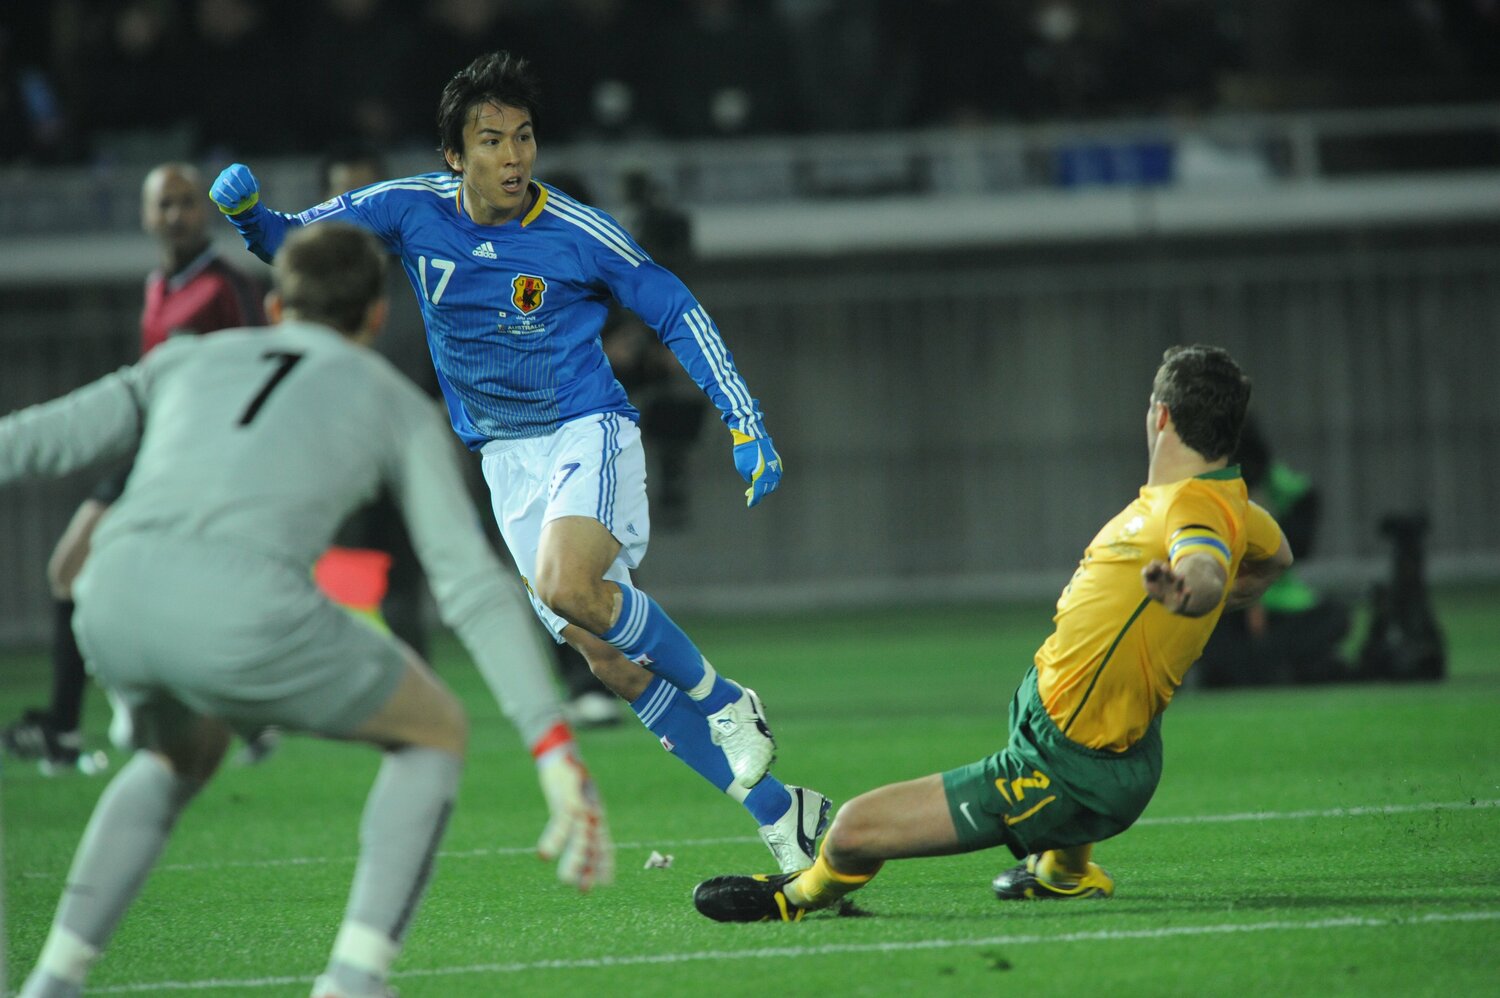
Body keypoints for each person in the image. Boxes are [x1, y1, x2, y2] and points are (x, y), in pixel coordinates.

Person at [209, 50, 830, 874]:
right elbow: (301, 247)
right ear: (454, 157)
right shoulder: (407, 209)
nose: (513, 158)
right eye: (493, 141)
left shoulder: (576, 233)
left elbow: (671, 302)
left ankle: (726, 702)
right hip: (505, 461)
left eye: (525, 138)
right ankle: (782, 815)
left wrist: (741, 416)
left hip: (586, 432)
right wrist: (254, 219)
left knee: (565, 587)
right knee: (604, 655)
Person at [3, 225, 611, 998]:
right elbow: (468, 584)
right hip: (241, 612)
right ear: (376, 318)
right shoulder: (396, 404)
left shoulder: (185, 358)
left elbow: (38, 439)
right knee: (435, 730)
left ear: (273, 303)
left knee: (177, 756)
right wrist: (551, 744)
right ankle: (354, 979)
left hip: (109, 594)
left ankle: (52, 979)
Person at [692, 345, 1293, 922]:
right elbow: (1275, 557)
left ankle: (797, 897)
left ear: (1159, 417)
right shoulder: (1227, 501)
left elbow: (1205, 565)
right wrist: (1215, 598)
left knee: (851, 830)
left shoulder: (1195, 508)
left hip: (1066, 770)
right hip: (1073, 731)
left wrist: (1193, 595)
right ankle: (1064, 873)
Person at [2, 162, 264, 775]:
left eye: (186, 203)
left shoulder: (229, 286)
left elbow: (261, 374)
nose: (175, 215)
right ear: (147, 216)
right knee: (75, 571)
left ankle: (94, 725)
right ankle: (73, 726)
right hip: (151, 455)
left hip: (199, 465)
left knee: (93, 574)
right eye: (163, 205)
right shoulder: (159, 284)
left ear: (206, 210)